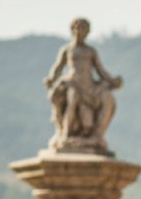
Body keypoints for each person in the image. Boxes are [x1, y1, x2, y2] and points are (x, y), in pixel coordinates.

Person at [44, 17, 122, 150]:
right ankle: (65, 133)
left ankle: (96, 134)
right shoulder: (67, 49)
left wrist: (112, 81)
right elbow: (58, 67)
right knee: (72, 98)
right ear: (73, 30)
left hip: (88, 85)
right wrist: (51, 79)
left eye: (85, 30)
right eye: (79, 29)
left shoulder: (90, 51)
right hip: (72, 82)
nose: (82, 32)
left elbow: (100, 70)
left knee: (107, 97)